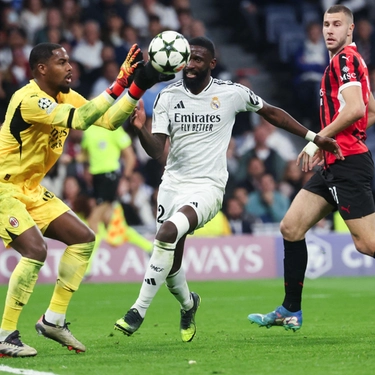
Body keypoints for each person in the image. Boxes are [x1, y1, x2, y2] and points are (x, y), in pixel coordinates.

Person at [113, 36, 342, 343]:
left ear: (212, 64)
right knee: (170, 265)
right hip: (173, 184)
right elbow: (157, 151)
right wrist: (140, 126)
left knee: (166, 234)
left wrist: (313, 136)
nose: (191, 65)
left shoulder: (231, 93)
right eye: (188, 58)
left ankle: (137, 311)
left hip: (208, 186)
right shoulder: (167, 96)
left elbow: (271, 112)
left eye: (198, 59)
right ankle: (188, 303)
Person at [0, 42, 173, 358]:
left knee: (83, 238)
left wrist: (136, 87)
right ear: (41, 69)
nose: (69, 67)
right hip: (3, 188)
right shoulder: (28, 99)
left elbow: (106, 120)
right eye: (61, 62)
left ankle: (53, 319)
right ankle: (5, 334)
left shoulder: (64, 97)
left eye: (69, 61)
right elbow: (79, 121)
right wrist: (119, 83)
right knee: (36, 250)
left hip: (31, 188)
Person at [248, 4, 375, 332]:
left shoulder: (346, 58)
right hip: (336, 162)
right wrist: (337, 140)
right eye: (325, 24)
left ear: (350, 30)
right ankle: (291, 309)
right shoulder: (346, 61)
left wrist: (318, 140)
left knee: (368, 245)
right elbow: (370, 111)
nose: (329, 29)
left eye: (337, 24)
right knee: (291, 227)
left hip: (348, 166)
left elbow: (357, 108)